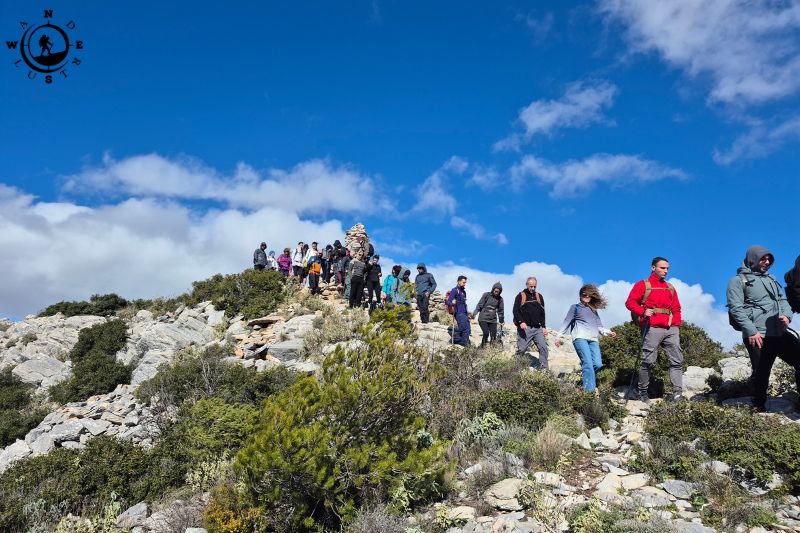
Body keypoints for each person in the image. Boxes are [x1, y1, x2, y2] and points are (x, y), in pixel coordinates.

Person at [727, 246, 800, 411]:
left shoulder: (771, 279)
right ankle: (758, 406)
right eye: (763, 259)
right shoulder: (737, 281)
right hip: (758, 335)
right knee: (761, 373)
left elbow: (782, 300)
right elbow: (736, 309)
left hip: (779, 333)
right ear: (753, 259)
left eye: (769, 260)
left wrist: (787, 316)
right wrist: (751, 331)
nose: (767, 262)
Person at [625, 257, 683, 403]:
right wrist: (642, 312)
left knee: (676, 361)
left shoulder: (670, 287)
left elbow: (676, 307)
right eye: (662, 268)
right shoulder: (643, 285)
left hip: (671, 328)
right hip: (651, 327)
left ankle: (677, 394)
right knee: (648, 361)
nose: (666, 271)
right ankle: (642, 392)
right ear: (653, 268)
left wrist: (676, 324)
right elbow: (630, 302)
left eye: (667, 268)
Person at [554, 285, 617, 392]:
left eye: (589, 295)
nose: (587, 297)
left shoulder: (593, 310)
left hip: (593, 339)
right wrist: (558, 337)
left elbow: (599, 326)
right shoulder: (575, 307)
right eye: (584, 295)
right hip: (580, 338)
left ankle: (584, 379)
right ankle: (589, 392)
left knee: (598, 364)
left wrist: (608, 332)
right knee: (588, 363)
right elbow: (566, 322)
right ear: (580, 295)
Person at [513, 277, 549, 369]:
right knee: (521, 349)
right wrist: (521, 322)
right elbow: (515, 311)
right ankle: (514, 367)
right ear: (527, 285)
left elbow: (542, 313)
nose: (533, 288)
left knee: (543, 348)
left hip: (538, 328)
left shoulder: (539, 296)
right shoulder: (521, 296)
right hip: (525, 328)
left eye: (534, 286)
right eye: (531, 286)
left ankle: (544, 369)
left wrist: (544, 326)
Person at [473, 283, 505, 347]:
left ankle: (491, 350)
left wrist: (501, 321)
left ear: (500, 292)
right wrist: (474, 313)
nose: (496, 292)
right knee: (486, 333)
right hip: (483, 318)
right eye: (495, 290)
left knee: (493, 336)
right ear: (493, 289)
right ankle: (482, 347)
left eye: (498, 291)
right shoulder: (486, 295)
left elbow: (501, 311)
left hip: (493, 320)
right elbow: (480, 305)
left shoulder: (500, 299)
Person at [447, 276, 471, 347]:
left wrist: (467, 314)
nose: (464, 284)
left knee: (468, 330)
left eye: (465, 282)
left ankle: (456, 340)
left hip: (464, 313)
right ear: (459, 281)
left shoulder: (463, 292)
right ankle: (464, 344)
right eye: (463, 282)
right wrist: (452, 303)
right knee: (464, 330)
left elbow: (464, 303)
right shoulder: (454, 290)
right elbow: (448, 301)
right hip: (458, 313)